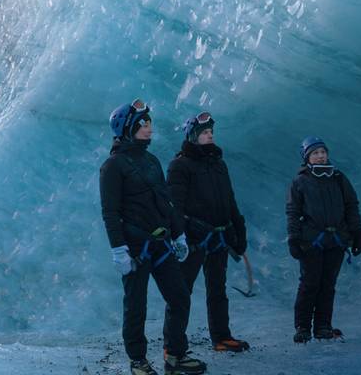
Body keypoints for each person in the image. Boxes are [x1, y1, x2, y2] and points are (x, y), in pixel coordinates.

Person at [100, 99, 207, 375]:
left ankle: (175, 355)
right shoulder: (112, 166)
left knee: (180, 297)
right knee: (136, 306)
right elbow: (110, 212)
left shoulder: (151, 160)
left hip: (161, 244)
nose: (148, 128)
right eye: (142, 124)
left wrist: (179, 235)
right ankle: (138, 361)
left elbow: (166, 202)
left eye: (149, 123)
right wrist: (118, 250)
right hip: (135, 248)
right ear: (127, 128)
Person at [166, 111, 250, 353]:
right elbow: (175, 207)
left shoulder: (218, 164)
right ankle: (173, 344)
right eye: (205, 133)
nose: (210, 136)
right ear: (193, 136)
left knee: (218, 290)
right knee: (181, 293)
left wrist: (238, 231)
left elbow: (230, 200)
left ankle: (221, 338)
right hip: (194, 240)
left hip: (219, 238)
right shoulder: (179, 166)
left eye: (211, 132)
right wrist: (182, 234)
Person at [286, 136, 361, 343]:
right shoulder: (300, 180)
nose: (321, 156)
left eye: (323, 152)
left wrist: (357, 233)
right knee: (309, 284)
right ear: (307, 158)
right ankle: (302, 327)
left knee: (328, 285)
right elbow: (293, 211)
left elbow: (351, 206)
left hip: (337, 240)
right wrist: (294, 239)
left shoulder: (339, 178)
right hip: (312, 240)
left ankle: (322, 326)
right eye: (315, 153)